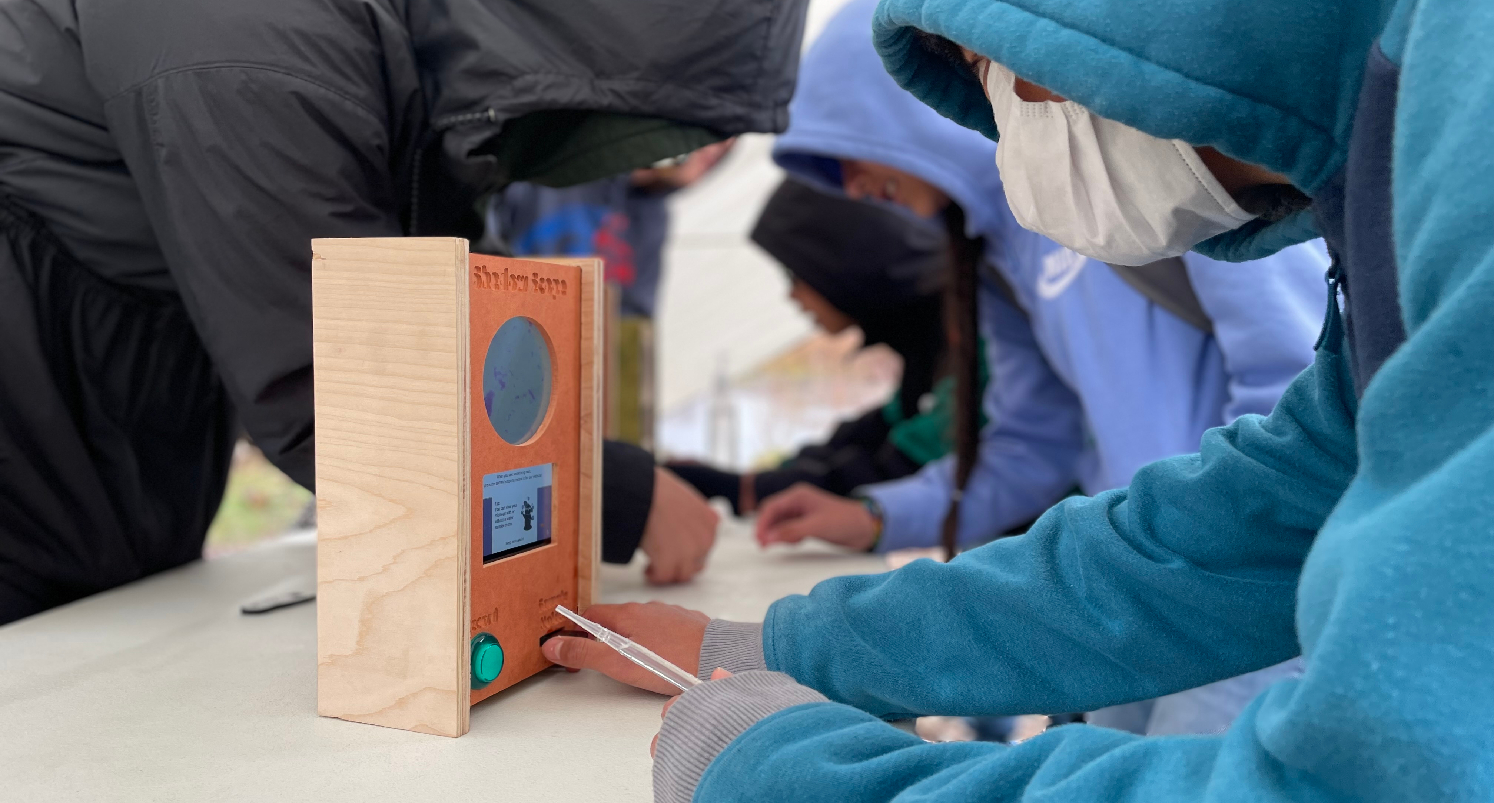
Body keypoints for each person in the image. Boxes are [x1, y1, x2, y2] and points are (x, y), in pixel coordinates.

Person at [548, 0, 1494, 799]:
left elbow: (1379, 774)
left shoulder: (1465, 110)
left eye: (992, 66)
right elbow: (1236, 524)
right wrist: (790, 646)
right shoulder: (1386, 163)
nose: (1009, 129)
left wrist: (810, 774)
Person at [0, 0, 812, 624]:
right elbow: (337, 377)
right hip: (33, 438)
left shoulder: (399, 55)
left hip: (112, 422)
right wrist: (614, 492)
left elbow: (453, 318)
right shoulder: (253, 42)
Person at [738, 0, 1324, 736]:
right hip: (1128, 590)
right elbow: (1030, 446)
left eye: (850, 151)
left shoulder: (1164, 183)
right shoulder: (1007, 255)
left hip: (1245, 593)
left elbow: (1297, 393)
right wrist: (877, 517)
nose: (853, 187)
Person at [668, 176, 961, 515]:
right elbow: (881, 431)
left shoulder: (967, 331)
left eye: (794, 275)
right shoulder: (923, 333)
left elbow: (909, 467)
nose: (791, 296)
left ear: (842, 258)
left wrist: (750, 490)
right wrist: (747, 485)